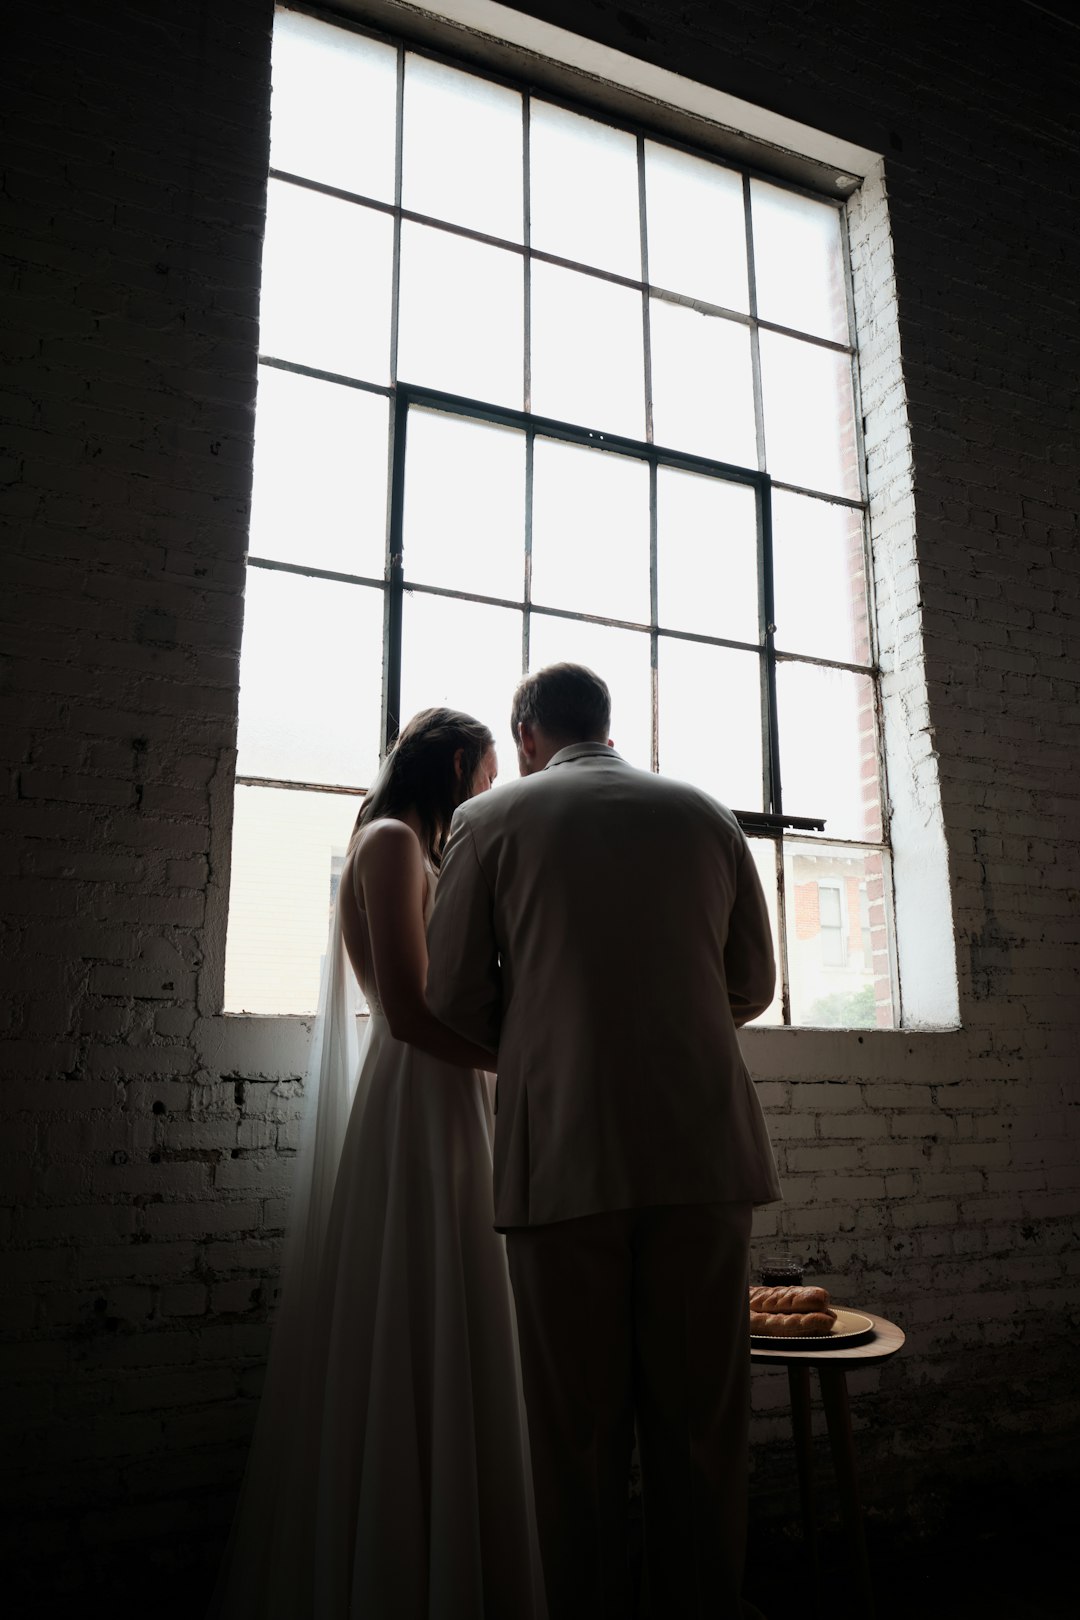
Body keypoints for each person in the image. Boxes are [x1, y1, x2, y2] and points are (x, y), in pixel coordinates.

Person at [426, 664, 782, 1620]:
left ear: (527, 735)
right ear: (606, 726)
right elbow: (751, 983)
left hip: (563, 1158)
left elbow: (452, 997)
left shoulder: (489, 822)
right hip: (705, 1152)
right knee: (703, 1434)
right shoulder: (707, 815)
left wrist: (556, 1045)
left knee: (575, 1441)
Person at [208, 707, 545, 1620]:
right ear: (454, 764)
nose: (490, 788)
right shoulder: (394, 841)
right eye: (483, 771)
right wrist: (518, 1062)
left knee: (458, 1304)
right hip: (423, 1092)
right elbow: (403, 1006)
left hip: (450, 1090)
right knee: (427, 1302)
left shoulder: (417, 847)